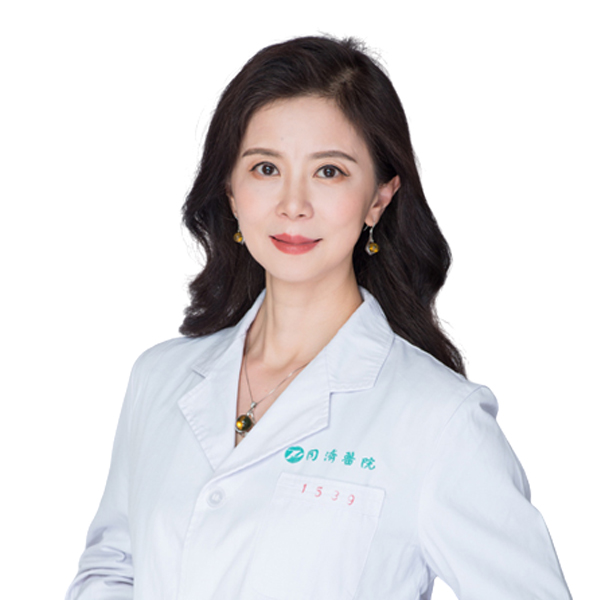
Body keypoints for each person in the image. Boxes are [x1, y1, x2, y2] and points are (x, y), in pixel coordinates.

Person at [66, 36, 572, 600]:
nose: (293, 205)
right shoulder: (158, 379)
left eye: (329, 171)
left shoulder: (438, 420)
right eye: (265, 168)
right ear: (230, 190)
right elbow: (112, 570)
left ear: (378, 199)